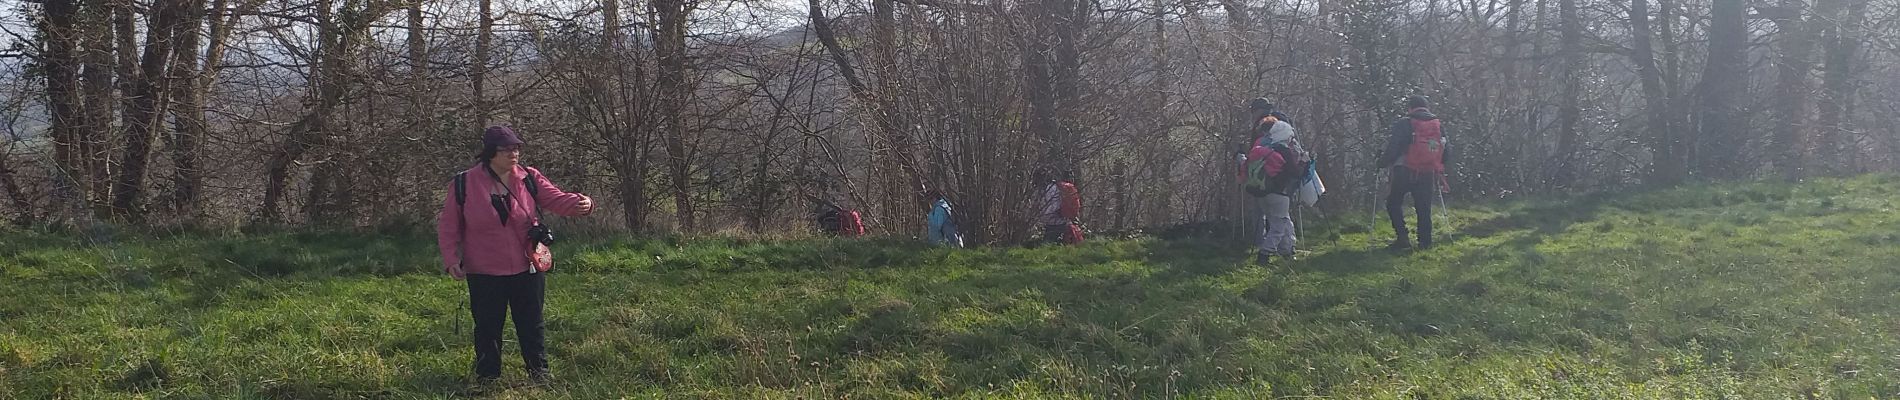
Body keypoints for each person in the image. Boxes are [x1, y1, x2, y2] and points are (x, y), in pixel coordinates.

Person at [437, 126, 595, 385]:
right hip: (484, 270)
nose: (514, 153)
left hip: (527, 265)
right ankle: (488, 376)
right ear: (490, 153)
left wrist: (582, 203)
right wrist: (451, 259)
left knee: (531, 323)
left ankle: (539, 373)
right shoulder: (464, 183)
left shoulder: (529, 177)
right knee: (487, 326)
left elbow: (556, 199)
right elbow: (448, 226)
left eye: (516, 148)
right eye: (506, 149)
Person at [1377, 96, 1449, 251]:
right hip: (1427, 172)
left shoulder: (1404, 123)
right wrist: (1436, 165)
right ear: (1427, 107)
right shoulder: (1437, 125)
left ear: (1410, 108)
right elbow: (1445, 152)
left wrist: (1381, 163)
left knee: (1393, 203)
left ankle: (1403, 238)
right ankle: (1425, 243)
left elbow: (1393, 148)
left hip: (1404, 170)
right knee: (1424, 208)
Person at [1241, 99, 1306, 264]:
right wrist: (1304, 163)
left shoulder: (1259, 146)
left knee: (1277, 219)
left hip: (1261, 190)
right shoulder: (1283, 149)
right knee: (1280, 223)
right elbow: (1295, 172)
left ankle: (1286, 251)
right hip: (1280, 191)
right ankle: (1266, 253)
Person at [1032, 169, 1082, 245]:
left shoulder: (1047, 190)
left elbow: (1048, 210)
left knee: (1050, 243)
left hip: (1055, 222)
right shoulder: (1055, 187)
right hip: (1059, 221)